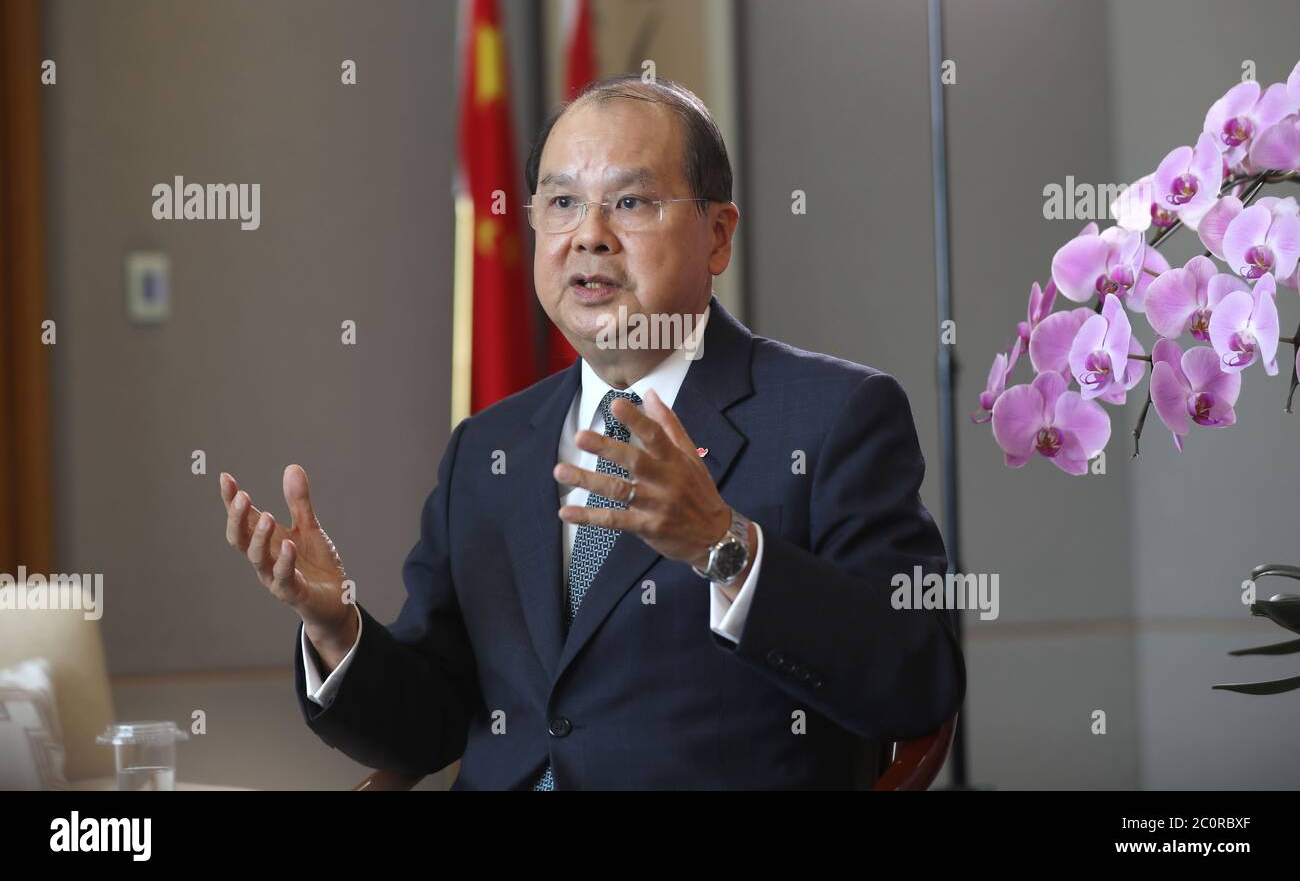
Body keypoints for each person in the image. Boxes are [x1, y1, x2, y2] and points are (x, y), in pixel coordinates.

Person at [219, 75, 965, 790]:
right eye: (563, 202)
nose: (590, 237)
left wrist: (725, 547)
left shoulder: (835, 415)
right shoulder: (489, 447)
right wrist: (337, 629)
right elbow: (433, 727)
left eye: (632, 201)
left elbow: (915, 682)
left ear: (717, 234)